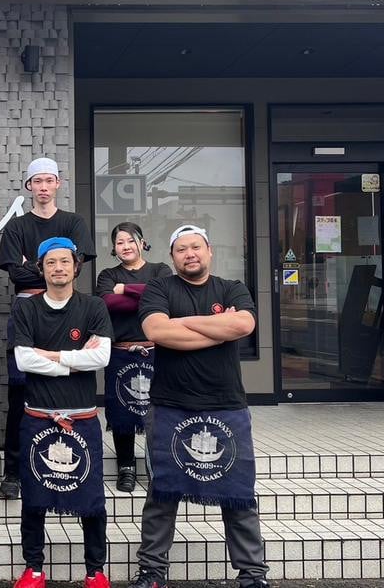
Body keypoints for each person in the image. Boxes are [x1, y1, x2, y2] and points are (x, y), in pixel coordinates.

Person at [130, 225, 269, 588]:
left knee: (238, 495)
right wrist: (216, 328)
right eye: (181, 249)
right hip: (170, 405)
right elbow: (158, 332)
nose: (189, 254)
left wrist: (185, 324)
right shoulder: (160, 287)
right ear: (173, 256)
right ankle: (152, 571)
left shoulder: (232, 288)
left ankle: (252, 574)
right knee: (162, 494)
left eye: (196, 247)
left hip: (226, 405)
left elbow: (244, 324)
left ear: (209, 251)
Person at [10, 237, 113, 588]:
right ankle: (34, 568)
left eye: (64, 262)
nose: (58, 268)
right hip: (38, 416)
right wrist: (74, 360)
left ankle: (95, 570)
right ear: (41, 268)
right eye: (50, 262)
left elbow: (101, 358)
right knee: (34, 496)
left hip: (82, 418)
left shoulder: (93, 306)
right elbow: (23, 359)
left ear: (75, 266)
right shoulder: (27, 308)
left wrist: (52, 356)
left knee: (92, 498)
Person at [0, 157, 96, 499]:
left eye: (48, 181)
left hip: (70, 309)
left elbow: (74, 271)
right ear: (28, 187)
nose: (42, 187)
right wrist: (51, 269)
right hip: (27, 309)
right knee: (20, 391)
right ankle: (12, 470)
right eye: (36, 181)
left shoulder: (74, 221)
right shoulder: (17, 226)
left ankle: (71, 455)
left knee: (71, 379)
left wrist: (32, 266)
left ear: (58, 184)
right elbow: (15, 274)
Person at [94, 222, 172, 492]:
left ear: (142, 242)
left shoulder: (161, 270)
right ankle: (125, 466)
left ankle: (156, 467)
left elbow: (163, 297)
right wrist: (141, 293)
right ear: (114, 248)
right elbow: (107, 303)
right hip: (121, 351)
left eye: (130, 241)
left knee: (157, 410)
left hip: (156, 350)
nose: (125, 246)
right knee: (121, 410)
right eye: (119, 242)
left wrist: (123, 289)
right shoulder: (106, 274)